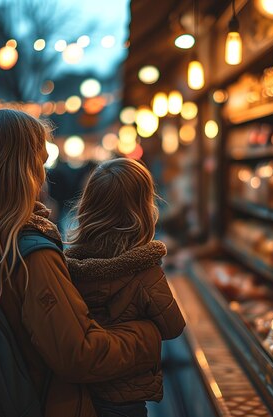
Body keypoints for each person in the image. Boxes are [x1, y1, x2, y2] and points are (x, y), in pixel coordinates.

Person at [0, 109, 161, 417]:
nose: (44, 176)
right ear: (23, 171)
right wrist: (147, 336)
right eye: (39, 164)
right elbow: (79, 355)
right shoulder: (32, 253)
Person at [66, 158, 186, 417]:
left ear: (88, 205)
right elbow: (174, 326)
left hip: (81, 393)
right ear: (143, 209)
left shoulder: (68, 268)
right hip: (126, 399)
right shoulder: (144, 270)